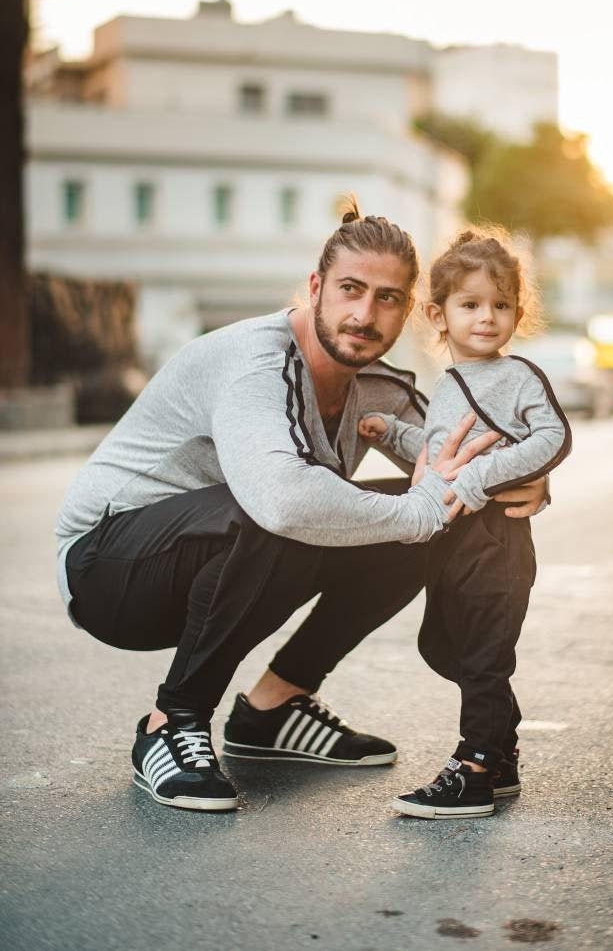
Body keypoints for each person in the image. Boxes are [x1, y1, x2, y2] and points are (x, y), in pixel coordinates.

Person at [56, 204, 548, 813]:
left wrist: (523, 481)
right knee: (288, 503)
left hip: (227, 565)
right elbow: (282, 500)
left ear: (412, 310)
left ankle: (276, 709)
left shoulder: (379, 386)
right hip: (110, 570)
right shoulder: (255, 362)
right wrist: (422, 511)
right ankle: (171, 723)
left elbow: (466, 460)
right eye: (350, 289)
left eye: (388, 298)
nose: (365, 315)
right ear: (316, 288)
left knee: (457, 513)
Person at [358, 228, 572, 819]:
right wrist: (392, 434)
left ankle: (475, 766)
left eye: (501, 305)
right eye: (471, 304)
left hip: (496, 542)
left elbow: (552, 437)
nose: (487, 318)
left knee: (483, 657)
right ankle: (499, 751)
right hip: (450, 543)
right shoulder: (451, 381)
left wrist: (484, 479)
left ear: (518, 314)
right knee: (442, 644)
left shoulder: (516, 376)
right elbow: (438, 452)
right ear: (439, 314)